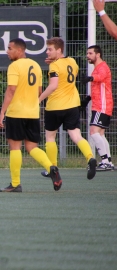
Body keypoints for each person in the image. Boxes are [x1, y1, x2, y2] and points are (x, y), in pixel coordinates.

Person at [0, 38, 62, 193]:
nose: (7, 51)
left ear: (20, 50)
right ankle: (51, 168)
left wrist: (1, 113)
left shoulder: (14, 66)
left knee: (15, 147)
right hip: (33, 113)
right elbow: (40, 92)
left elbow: (11, 90)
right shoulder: (36, 66)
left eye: (10, 48)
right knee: (32, 147)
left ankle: (15, 184)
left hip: (16, 112)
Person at [39, 37, 97, 180]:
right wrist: (54, 61)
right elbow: (66, 73)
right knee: (76, 135)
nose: (47, 52)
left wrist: (38, 99)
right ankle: (90, 158)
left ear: (59, 50)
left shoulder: (54, 66)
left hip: (55, 106)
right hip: (72, 105)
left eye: (50, 49)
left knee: (50, 137)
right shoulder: (72, 62)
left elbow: (53, 85)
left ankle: (52, 168)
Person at [81, 45, 114, 171]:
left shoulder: (102, 67)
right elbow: (98, 85)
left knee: (93, 132)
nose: (87, 56)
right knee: (100, 134)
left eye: (90, 53)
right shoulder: (96, 68)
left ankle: (105, 161)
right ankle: (109, 162)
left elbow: (100, 77)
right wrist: (87, 99)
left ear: (98, 54)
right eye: (87, 53)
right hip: (100, 104)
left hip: (102, 104)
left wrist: (90, 78)